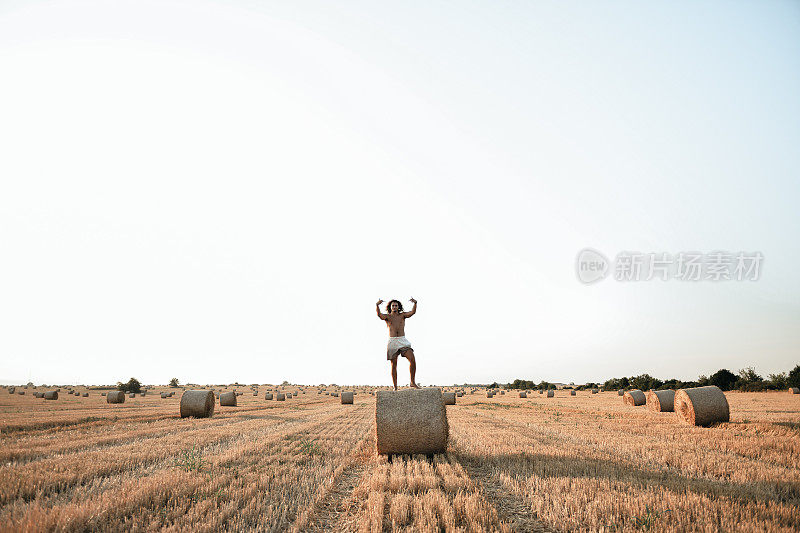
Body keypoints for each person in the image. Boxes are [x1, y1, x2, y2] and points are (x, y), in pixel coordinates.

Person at [376, 298, 420, 390]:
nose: (394, 307)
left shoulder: (402, 315)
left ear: (398, 307)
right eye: (393, 305)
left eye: (396, 305)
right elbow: (379, 315)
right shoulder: (387, 317)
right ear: (390, 307)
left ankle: (412, 382)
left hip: (402, 340)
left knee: (412, 359)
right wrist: (377, 306)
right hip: (392, 341)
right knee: (394, 364)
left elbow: (412, 312)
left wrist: (415, 303)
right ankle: (395, 387)